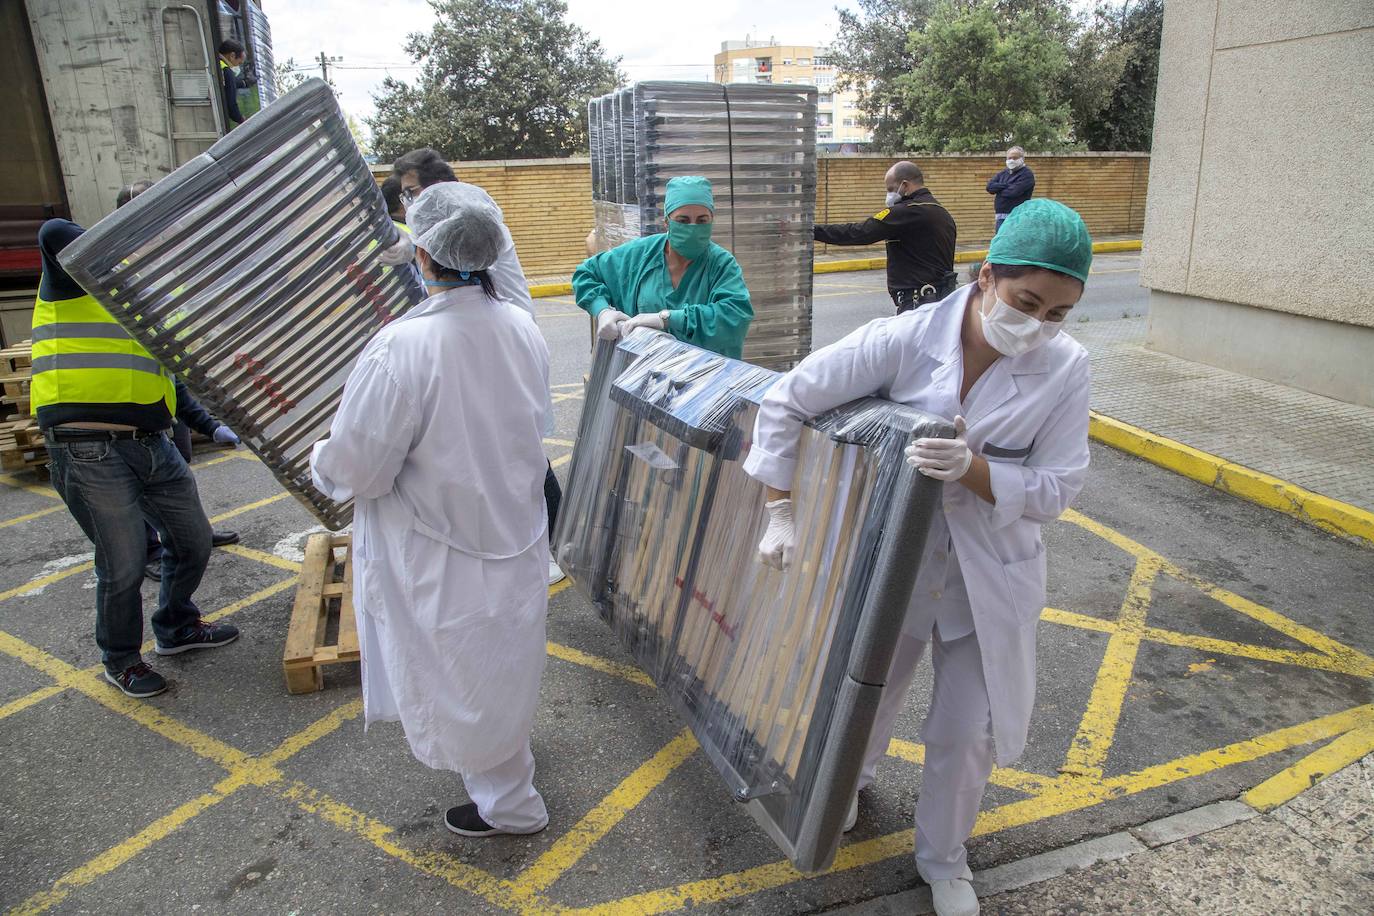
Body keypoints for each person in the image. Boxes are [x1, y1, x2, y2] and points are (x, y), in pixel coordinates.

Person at [745, 199, 1094, 916]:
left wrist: (973, 469)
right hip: (899, 558)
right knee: (868, 696)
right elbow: (786, 399)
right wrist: (779, 509)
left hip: (987, 574)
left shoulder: (1065, 368)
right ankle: (850, 785)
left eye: (1058, 314)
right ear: (986, 275)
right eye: (1027, 302)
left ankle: (944, 858)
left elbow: (1057, 488)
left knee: (965, 731)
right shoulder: (902, 338)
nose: (1037, 327)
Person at [310, 184, 552, 838]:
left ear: (422, 254)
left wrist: (319, 458)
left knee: (464, 682)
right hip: (513, 533)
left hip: (441, 551)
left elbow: (360, 466)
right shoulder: (520, 326)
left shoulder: (404, 348)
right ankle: (511, 788)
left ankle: (513, 808)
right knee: (500, 667)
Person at [32, 219, 238, 699]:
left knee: (193, 541)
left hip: (153, 444)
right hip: (86, 447)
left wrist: (210, 426)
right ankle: (121, 659)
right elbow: (53, 231)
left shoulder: (148, 308)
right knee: (122, 565)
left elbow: (168, 380)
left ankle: (176, 627)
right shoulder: (74, 279)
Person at [385, 147, 564, 585]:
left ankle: (556, 542)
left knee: (522, 448)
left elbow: (443, 248)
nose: (408, 203)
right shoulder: (458, 212)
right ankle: (542, 537)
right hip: (490, 332)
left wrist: (408, 246)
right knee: (505, 445)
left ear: (436, 187)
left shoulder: (466, 210)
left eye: (412, 192)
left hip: (500, 336)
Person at [113, 182, 242, 580]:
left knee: (179, 467)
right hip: (126, 398)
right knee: (139, 484)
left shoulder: (163, 264)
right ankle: (151, 545)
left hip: (166, 386)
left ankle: (192, 532)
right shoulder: (110, 265)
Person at [571, 176, 753, 359]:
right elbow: (587, 274)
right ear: (666, 222)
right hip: (643, 377)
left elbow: (734, 317)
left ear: (712, 220)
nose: (692, 227)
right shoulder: (640, 255)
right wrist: (602, 310)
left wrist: (667, 319)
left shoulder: (721, 265)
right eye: (683, 220)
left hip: (704, 380)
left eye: (702, 220)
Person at [813, 161, 958, 314]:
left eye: (890, 189)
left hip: (918, 304)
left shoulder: (908, 211)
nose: (889, 195)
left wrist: (811, 231)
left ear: (905, 185)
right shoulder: (940, 211)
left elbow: (859, 232)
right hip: (941, 302)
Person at [985, 147, 1035, 234]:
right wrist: (1006, 185)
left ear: (1022, 159)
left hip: (1017, 217)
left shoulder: (1026, 174)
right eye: (1009, 158)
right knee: (1001, 241)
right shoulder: (1003, 173)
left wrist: (999, 189)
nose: (1011, 160)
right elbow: (989, 187)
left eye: (1015, 158)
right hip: (1001, 216)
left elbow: (1013, 192)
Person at [217, 39, 254, 129]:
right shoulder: (227, 71)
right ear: (232, 56)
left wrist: (244, 83)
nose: (238, 66)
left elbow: (229, 84)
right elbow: (231, 104)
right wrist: (240, 119)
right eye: (239, 63)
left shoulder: (217, 62)